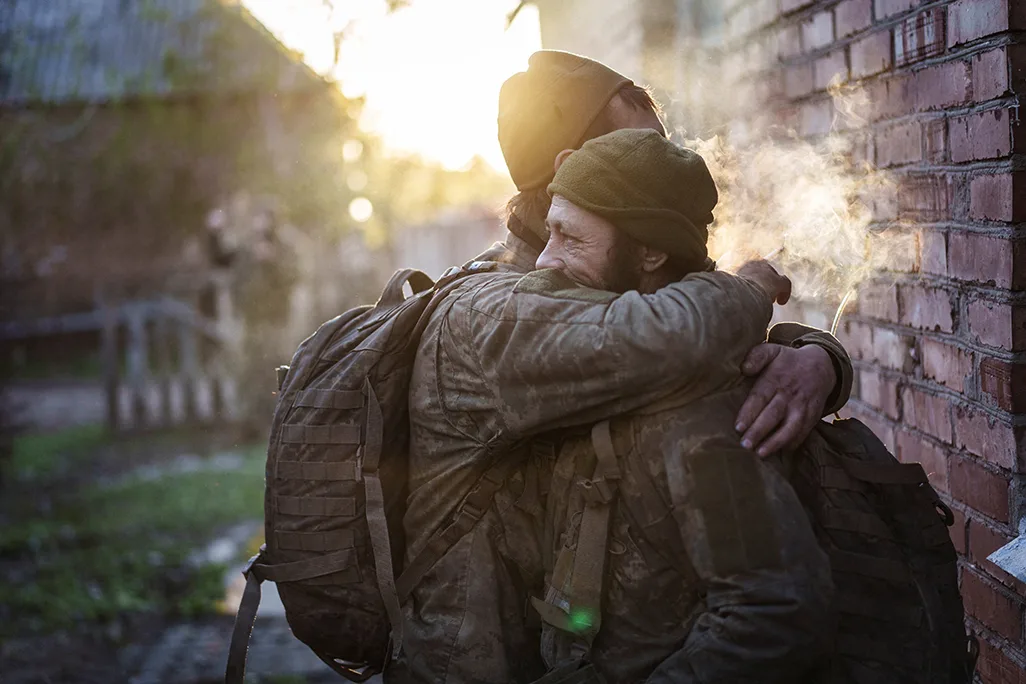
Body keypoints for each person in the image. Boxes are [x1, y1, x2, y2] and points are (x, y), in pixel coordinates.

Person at [392, 50, 851, 683]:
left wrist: (817, 358)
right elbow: (678, 334)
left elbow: (691, 330)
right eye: (642, 144)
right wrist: (752, 287)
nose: (667, 161)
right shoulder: (496, 311)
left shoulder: (609, 289)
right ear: (571, 168)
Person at [532, 128, 834, 683]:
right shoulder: (604, 360)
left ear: (651, 251)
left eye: (570, 238)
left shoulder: (699, 409)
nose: (544, 261)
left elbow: (777, 611)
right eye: (550, 232)